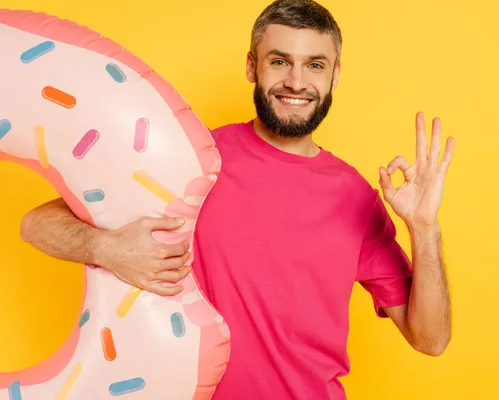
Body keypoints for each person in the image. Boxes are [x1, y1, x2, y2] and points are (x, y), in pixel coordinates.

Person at [19, 0, 454, 398]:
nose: (296, 82)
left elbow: (430, 339)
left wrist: (425, 228)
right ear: (252, 67)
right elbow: (35, 225)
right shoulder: (192, 159)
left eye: (315, 65)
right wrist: (106, 247)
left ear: (335, 74)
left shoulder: (356, 197)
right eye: (279, 61)